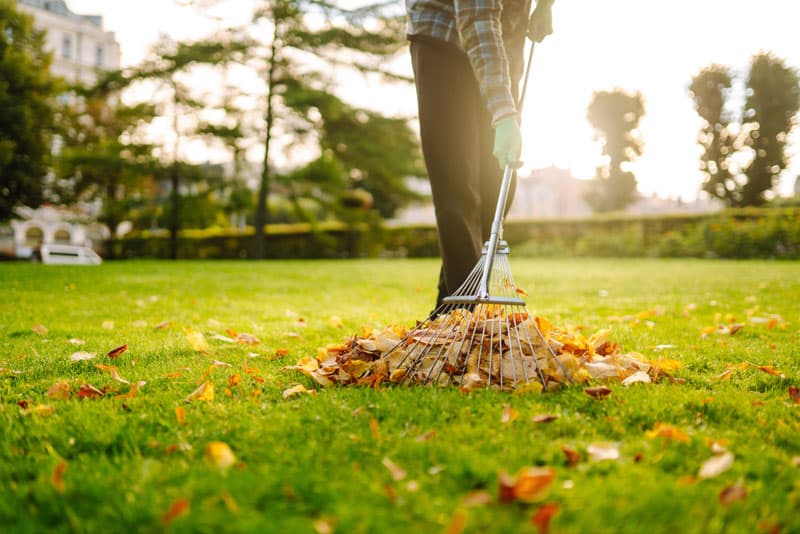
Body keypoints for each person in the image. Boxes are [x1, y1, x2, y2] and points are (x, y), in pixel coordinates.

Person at [406, 0, 554, 308]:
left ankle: (449, 312)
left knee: (498, 186)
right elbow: (476, 18)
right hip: (444, 33)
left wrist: (545, 5)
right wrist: (502, 114)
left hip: (504, 42)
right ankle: (465, 320)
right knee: (457, 186)